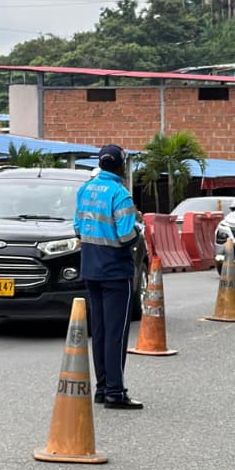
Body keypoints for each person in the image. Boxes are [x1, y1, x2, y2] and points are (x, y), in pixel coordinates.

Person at [74, 143, 142, 409]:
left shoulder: (85, 189)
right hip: (115, 271)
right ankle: (115, 391)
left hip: (90, 268)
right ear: (120, 165)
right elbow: (126, 235)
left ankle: (102, 388)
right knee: (116, 332)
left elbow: (78, 228)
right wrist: (139, 230)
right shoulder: (120, 194)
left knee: (100, 331)